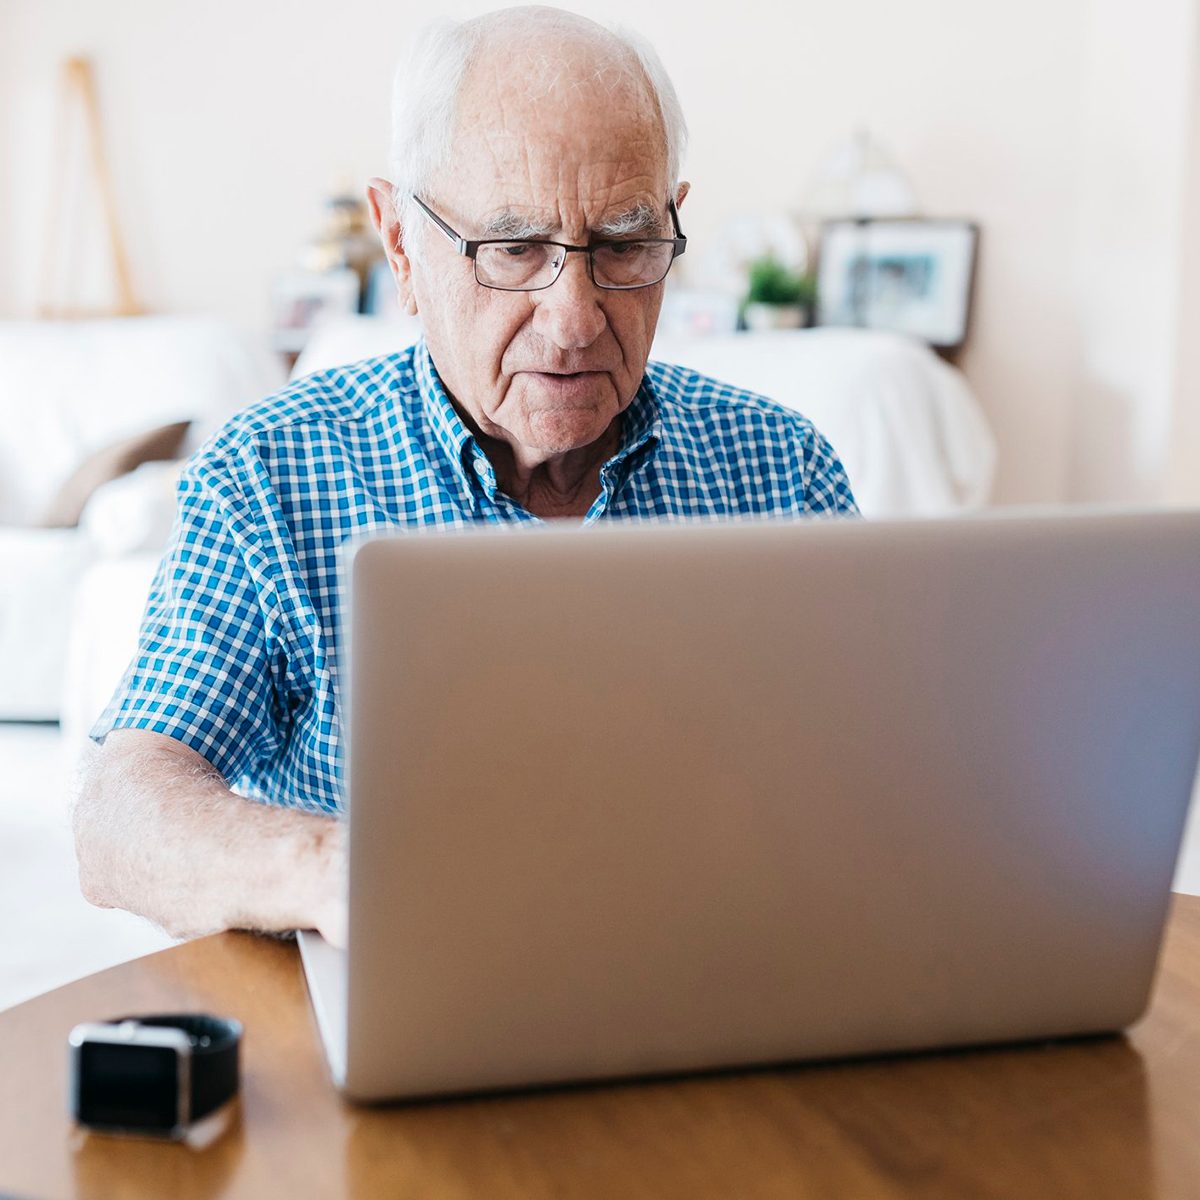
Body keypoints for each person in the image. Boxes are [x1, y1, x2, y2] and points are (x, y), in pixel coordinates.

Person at [73, 6, 857, 949]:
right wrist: (332, 872)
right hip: (405, 994)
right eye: (514, 248)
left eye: (622, 245)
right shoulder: (271, 475)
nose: (574, 318)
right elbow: (118, 817)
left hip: (721, 974)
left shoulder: (784, 470)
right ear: (401, 242)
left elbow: (867, 784)